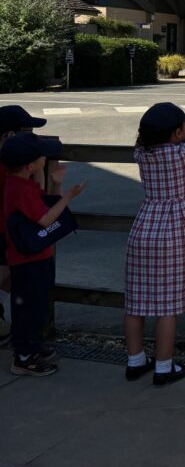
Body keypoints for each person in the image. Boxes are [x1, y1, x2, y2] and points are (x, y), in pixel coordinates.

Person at [124, 102, 185, 386]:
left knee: (136, 302)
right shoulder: (181, 152)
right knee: (166, 306)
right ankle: (164, 366)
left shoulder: (141, 153)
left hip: (144, 226)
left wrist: (180, 133)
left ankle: (135, 360)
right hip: (174, 231)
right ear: (178, 133)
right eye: (184, 126)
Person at [1, 132, 85, 375]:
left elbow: (45, 203)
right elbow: (46, 218)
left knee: (36, 306)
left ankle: (31, 346)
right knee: (29, 308)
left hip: (35, 256)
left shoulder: (20, 183)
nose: (45, 159)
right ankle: (23, 357)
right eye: (42, 156)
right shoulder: (21, 190)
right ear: (29, 164)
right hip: (28, 260)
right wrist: (69, 195)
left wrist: (56, 183)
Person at [0, 106, 48, 346]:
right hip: (8, 233)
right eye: (27, 133)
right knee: (16, 278)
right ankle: (25, 348)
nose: (33, 138)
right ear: (9, 136)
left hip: (7, 232)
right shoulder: (10, 170)